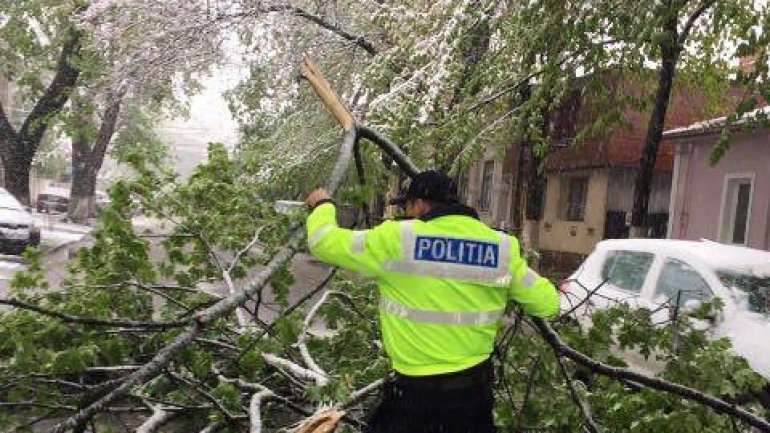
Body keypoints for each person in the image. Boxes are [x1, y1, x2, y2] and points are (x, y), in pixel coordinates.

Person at [305, 170, 560, 433]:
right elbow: (548, 303)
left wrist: (323, 206)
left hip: (413, 398)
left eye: (407, 205)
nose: (406, 212)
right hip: (471, 398)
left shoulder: (398, 238)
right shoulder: (501, 247)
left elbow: (323, 242)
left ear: (419, 203)